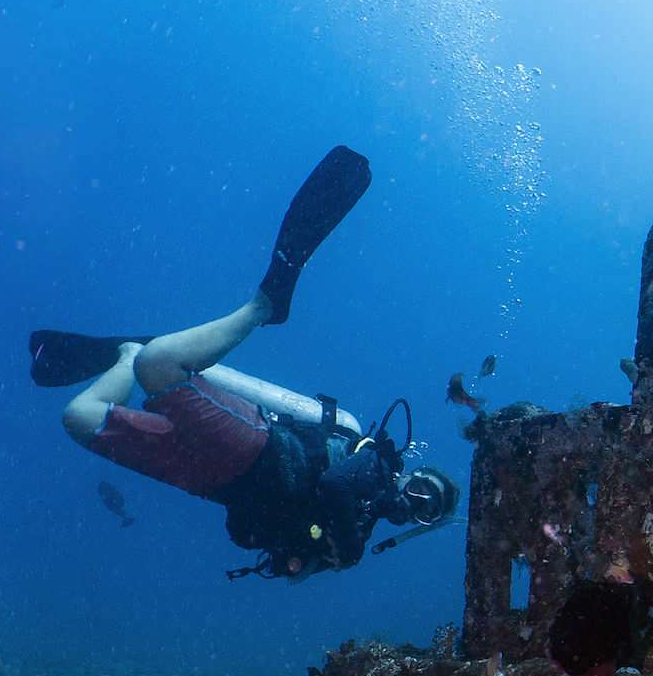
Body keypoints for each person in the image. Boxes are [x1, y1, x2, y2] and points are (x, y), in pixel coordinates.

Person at [30, 146, 459, 580]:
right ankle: (263, 307)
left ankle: (127, 354)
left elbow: (290, 568)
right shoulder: (374, 465)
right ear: (413, 475)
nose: (415, 504)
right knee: (157, 365)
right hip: (257, 449)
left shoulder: (358, 533)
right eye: (423, 492)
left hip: (215, 485)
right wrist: (346, 546)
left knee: (80, 419)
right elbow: (333, 484)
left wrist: (305, 560)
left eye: (426, 511)